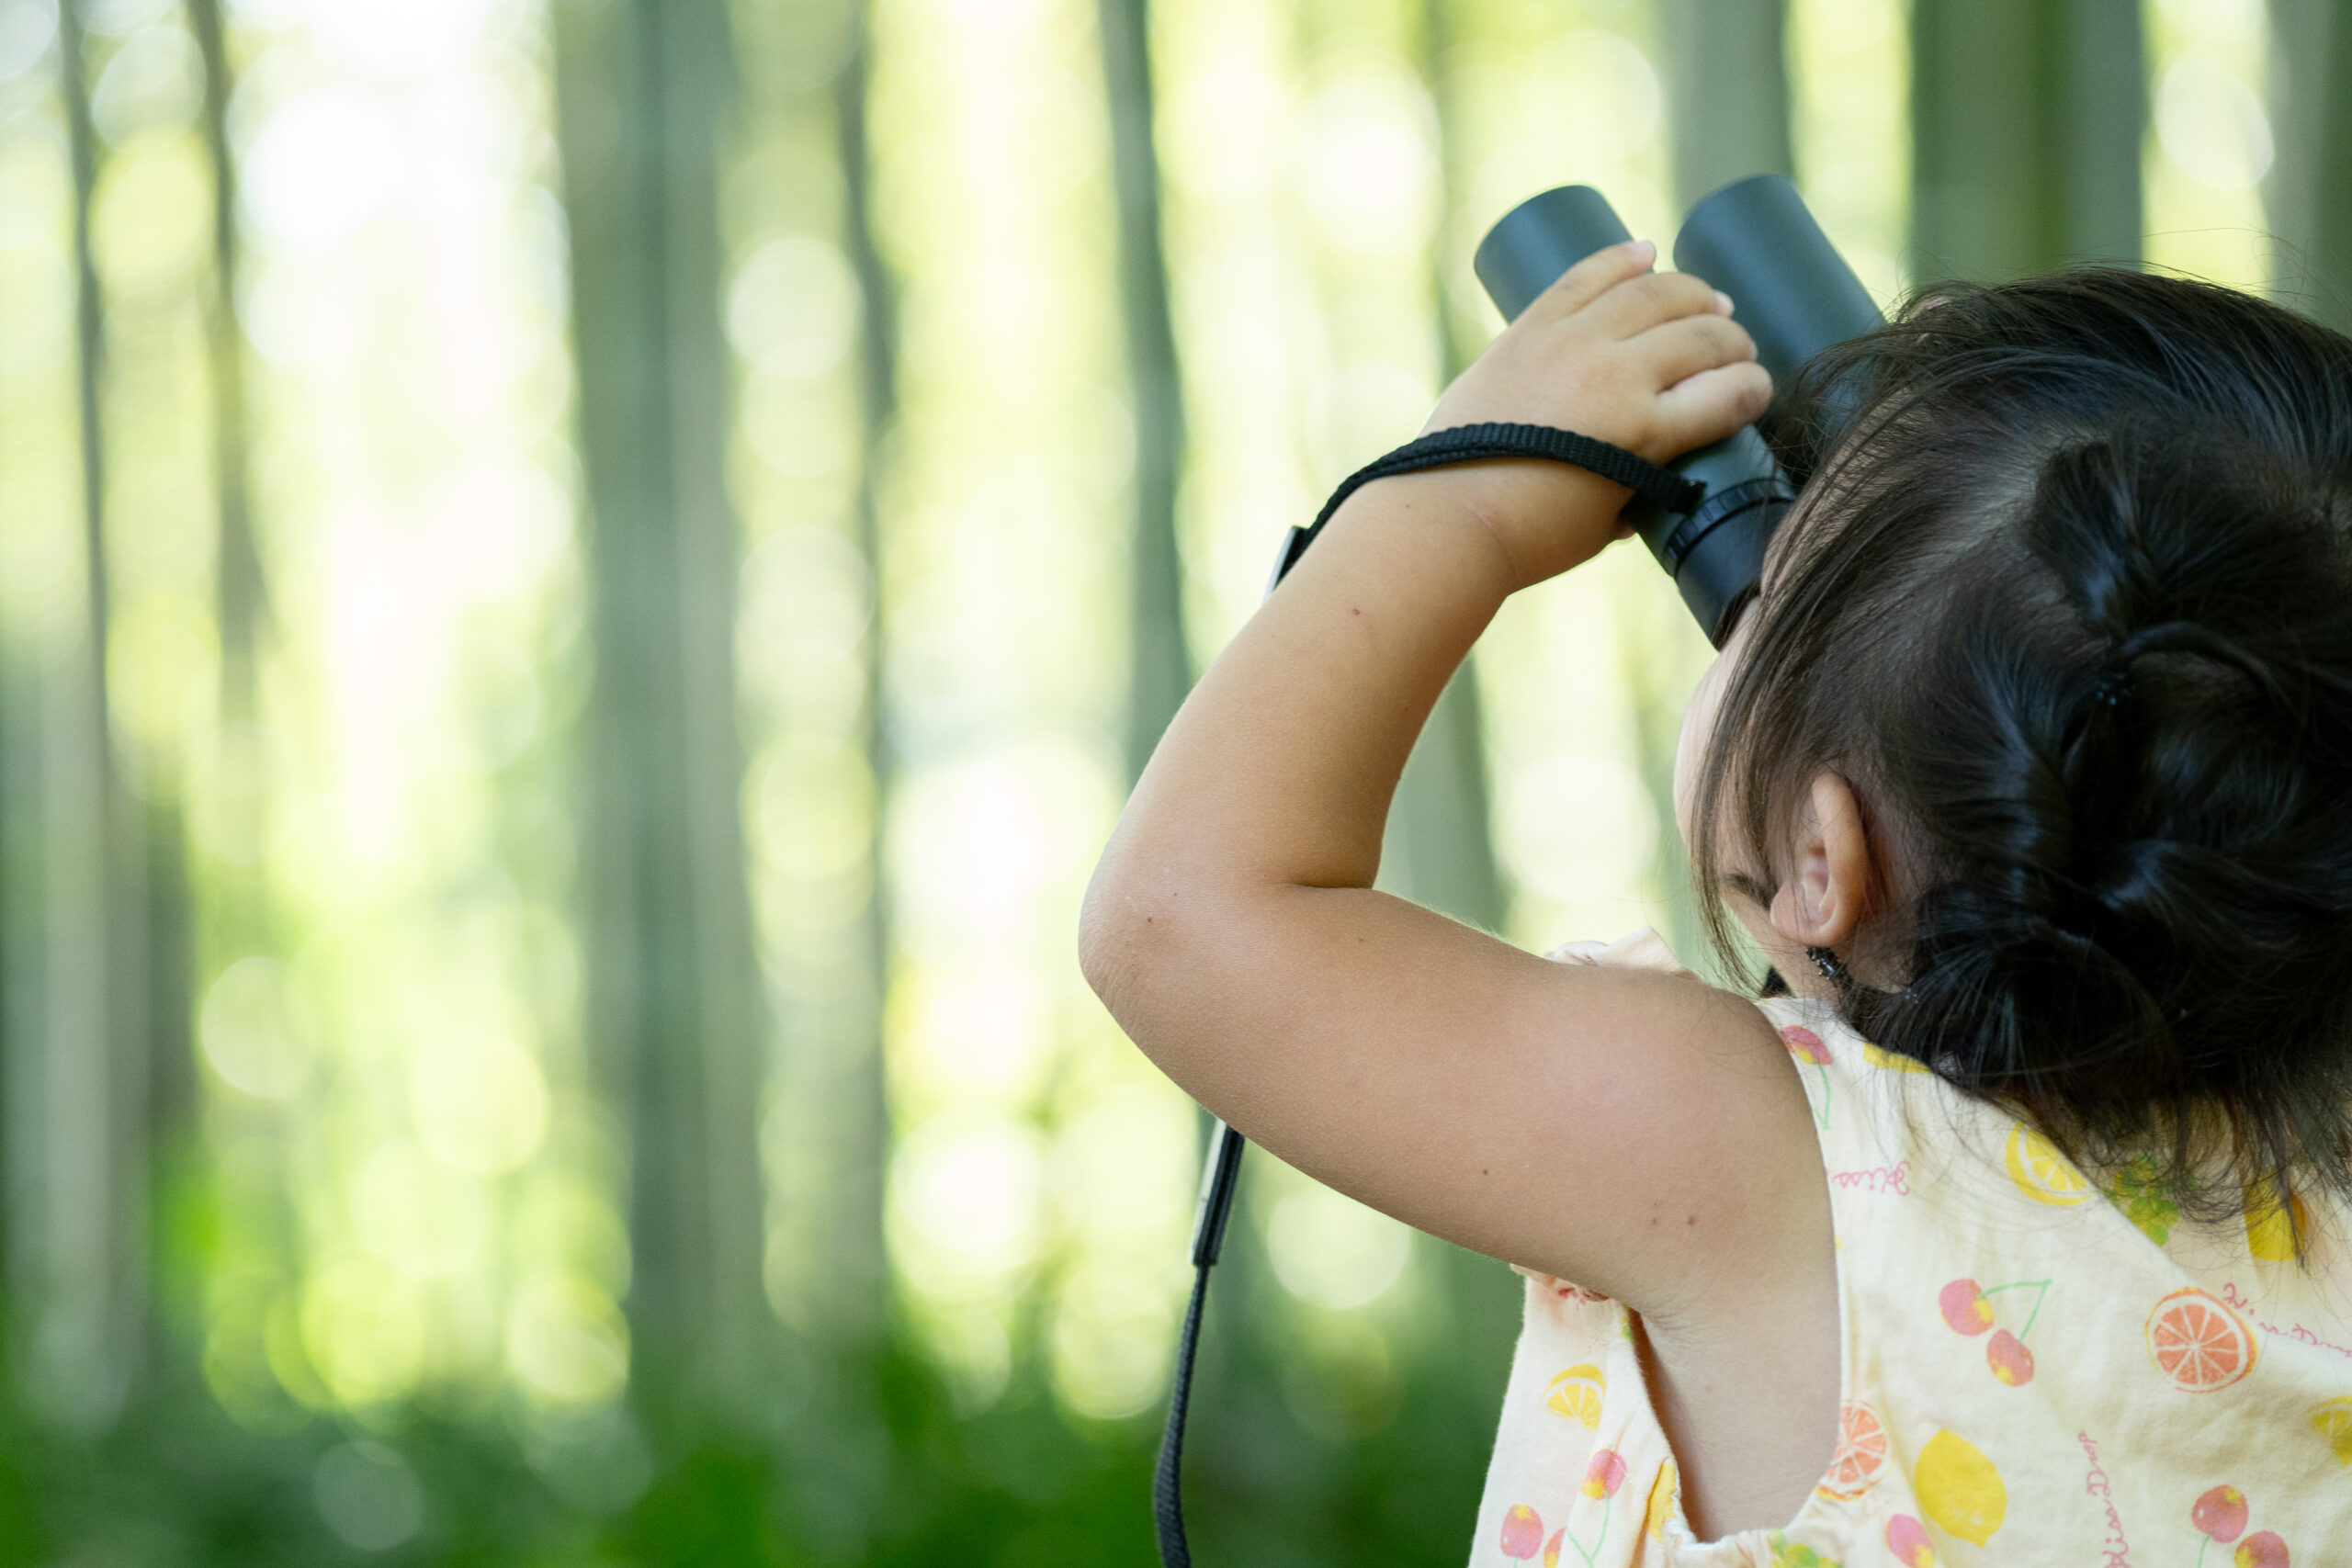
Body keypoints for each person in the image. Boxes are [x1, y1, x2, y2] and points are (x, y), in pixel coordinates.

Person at [1080, 239, 2352, 1562]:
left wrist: (1465, 493)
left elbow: (1182, 918)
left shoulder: (1767, 1175)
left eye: (1764, 589)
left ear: (1820, 863)